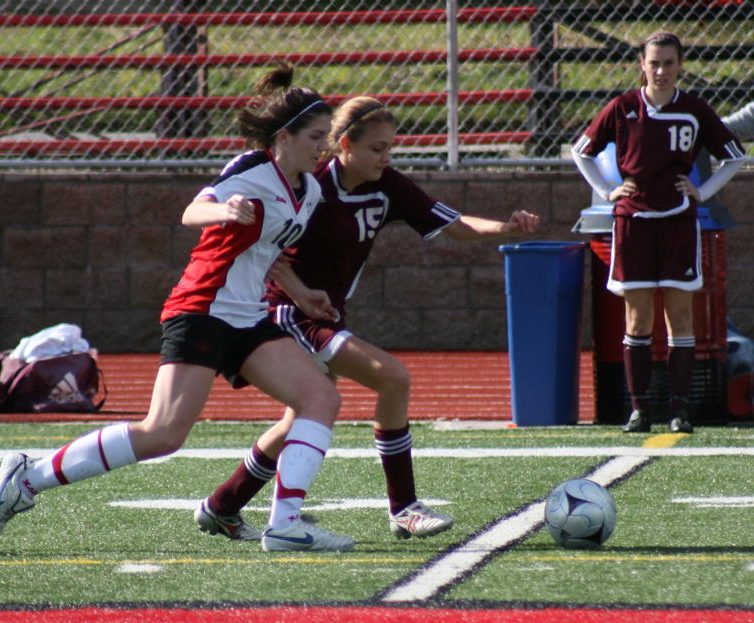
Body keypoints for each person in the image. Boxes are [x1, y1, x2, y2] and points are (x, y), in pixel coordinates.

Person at [0, 65, 357, 553]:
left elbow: (267, 253)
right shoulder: (252, 168)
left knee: (320, 399)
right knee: (162, 433)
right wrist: (225, 210)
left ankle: (285, 525)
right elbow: (192, 211)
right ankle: (27, 478)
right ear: (283, 136)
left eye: (326, 137)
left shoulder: (311, 190)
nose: (323, 147)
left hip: (248, 317)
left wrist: (301, 294)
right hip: (203, 309)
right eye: (315, 137)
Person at [193, 96, 540, 542]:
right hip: (287, 310)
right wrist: (299, 293)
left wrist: (506, 228)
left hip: (323, 311)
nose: (387, 157)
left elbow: (451, 223)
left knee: (300, 418)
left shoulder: (387, 185)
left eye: (390, 147)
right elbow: (268, 251)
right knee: (391, 378)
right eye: (377, 148)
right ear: (345, 145)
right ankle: (403, 507)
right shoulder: (311, 183)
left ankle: (223, 505)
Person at [572, 31, 745, 434]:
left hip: (678, 223)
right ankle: (639, 409)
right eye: (654, 63)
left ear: (680, 65)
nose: (661, 70)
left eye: (668, 63)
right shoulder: (623, 107)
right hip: (633, 224)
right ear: (642, 65)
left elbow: (735, 156)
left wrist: (702, 192)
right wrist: (608, 191)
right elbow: (582, 151)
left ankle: (679, 409)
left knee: (680, 317)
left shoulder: (694, 109)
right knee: (637, 319)